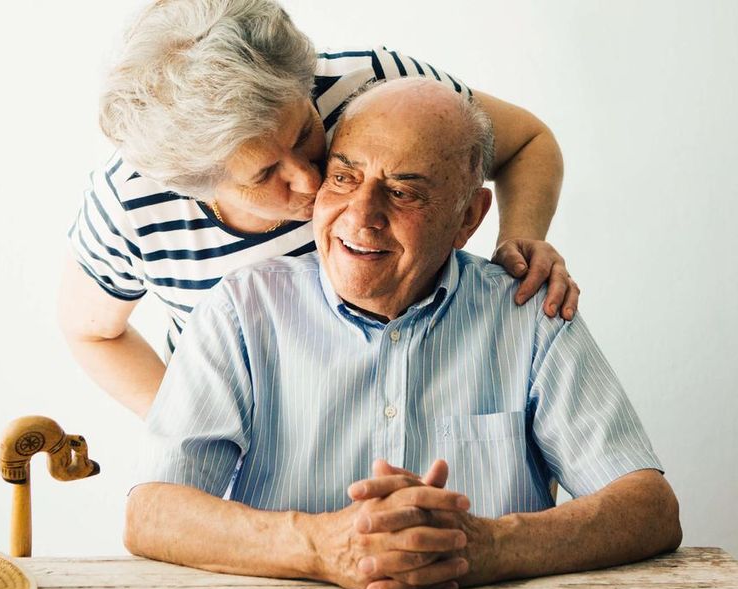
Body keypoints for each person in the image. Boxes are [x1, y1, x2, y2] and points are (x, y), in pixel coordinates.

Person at [124, 78, 681, 589]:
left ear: (468, 217)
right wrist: (322, 546)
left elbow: (650, 509)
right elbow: (152, 514)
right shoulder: (243, 309)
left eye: (402, 192)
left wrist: (484, 545)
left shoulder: (528, 314)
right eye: (343, 177)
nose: (361, 215)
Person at [61, 0, 581, 417]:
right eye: (266, 174)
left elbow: (527, 142)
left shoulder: (374, 86)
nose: (311, 178)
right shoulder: (131, 202)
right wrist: (189, 425)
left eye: (307, 130)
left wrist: (520, 240)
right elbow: (92, 332)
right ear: (197, 187)